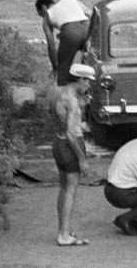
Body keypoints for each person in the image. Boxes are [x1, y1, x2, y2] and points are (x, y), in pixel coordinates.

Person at [52, 63, 94, 246]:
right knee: (71, 190)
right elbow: (71, 133)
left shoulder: (60, 93)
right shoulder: (73, 101)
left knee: (63, 188)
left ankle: (64, 229)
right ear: (80, 79)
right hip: (70, 145)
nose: (89, 85)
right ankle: (64, 235)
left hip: (57, 143)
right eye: (87, 81)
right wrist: (82, 159)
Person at [35, 0, 90, 86]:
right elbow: (90, 13)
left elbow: (51, 46)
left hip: (70, 32)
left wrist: (55, 68)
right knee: (89, 65)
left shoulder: (47, 15)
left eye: (41, 14)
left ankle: (66, 97)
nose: (42, 17)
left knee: (63, 71)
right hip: (88, 28)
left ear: (44, 7)